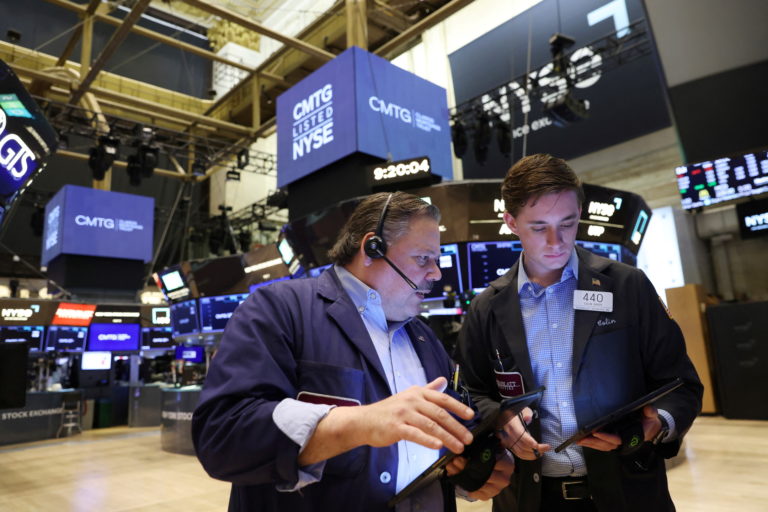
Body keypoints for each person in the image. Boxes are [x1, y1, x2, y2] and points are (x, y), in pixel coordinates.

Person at [193, 191, 514, 512]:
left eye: (436, 260)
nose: (436, 273)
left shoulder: (423, 337)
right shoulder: (279, 309)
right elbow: (222, 436)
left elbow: (454, 434)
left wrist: (476, 468)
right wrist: (360, 423)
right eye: (422, 259)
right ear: (372, 248)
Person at [455, 154, 703, 512]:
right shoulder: (487, 307)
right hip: (530, 499)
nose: (556, 241)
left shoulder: (627, 286)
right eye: (539, 227)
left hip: (628, 492)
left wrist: (655, 424)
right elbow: (469, 393)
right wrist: (500, 418)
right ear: (511, 222)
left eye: (568, 223)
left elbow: (681, 384)